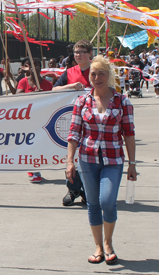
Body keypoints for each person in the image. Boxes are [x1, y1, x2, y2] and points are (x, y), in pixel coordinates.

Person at [66, 55, 136, 265]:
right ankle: (98, 246)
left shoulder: (122, 101)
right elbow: (74, 133)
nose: (97, 78)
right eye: (93, 74)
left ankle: (108, 242)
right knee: (93, 203)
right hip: (87, 159)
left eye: (101, 73)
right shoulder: (82, 101)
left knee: (107, 201)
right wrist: (70, 161)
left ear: (109, 75)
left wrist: (132, 164)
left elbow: (129, 133)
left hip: (113, 159)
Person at [53, 39, 94, 206]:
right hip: (73, 120)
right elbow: (54, 89)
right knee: (72, 156)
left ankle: (88, 190)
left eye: (82, 52)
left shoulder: (97, 71)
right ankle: (73, 189)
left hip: (94, 122)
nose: (78, 55)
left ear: (90, 54)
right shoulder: (69, 72)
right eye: (76, 52)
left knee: (89, 156)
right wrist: (70, 86)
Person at [16, 58, 53, 183]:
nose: (34, 68)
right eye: (32, 65)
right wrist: (33, 96)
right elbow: (17, 97)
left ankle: (36, 170)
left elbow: (53, 101)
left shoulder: (48, 85)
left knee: (38, 145)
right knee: (30, 145)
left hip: (42, 121)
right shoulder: (23, 82)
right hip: (27, 120)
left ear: (40, 68)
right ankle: (33, 168)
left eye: (37, 65)